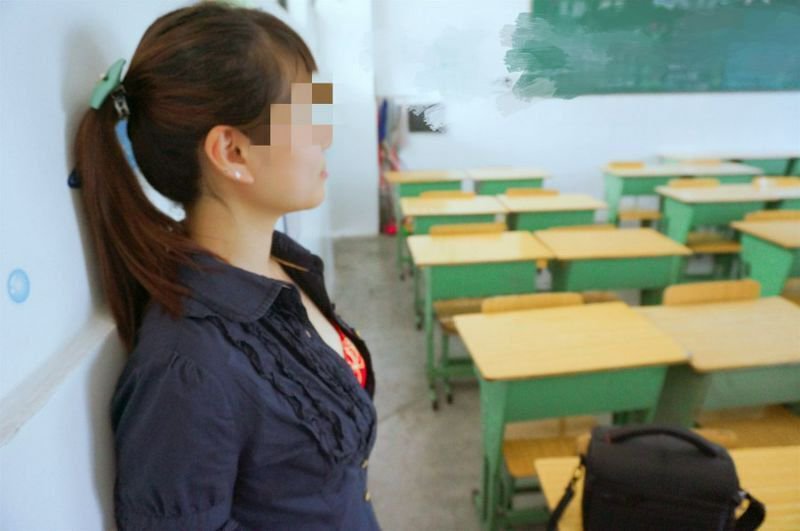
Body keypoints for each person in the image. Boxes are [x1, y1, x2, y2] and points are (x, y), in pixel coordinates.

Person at [72, 2, 379, 529]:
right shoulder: (189, 369)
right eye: (306, 115)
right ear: (232, 152)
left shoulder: (285, 264)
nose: (325, 136)